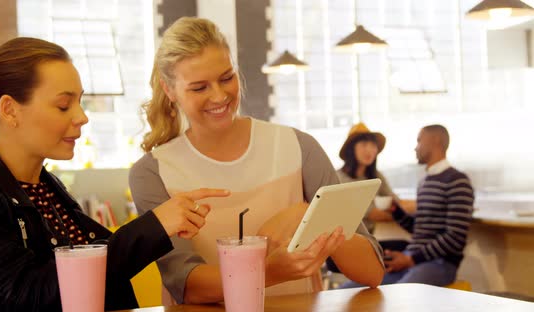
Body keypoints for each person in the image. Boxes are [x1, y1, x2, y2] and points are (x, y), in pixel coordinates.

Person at [0, 37, 229, 311]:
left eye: (80, 102)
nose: (82, 116)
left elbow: (102, 267)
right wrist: (154, 226)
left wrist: (162, 228)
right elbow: (28, 294)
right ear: (10, 110)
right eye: (63, 105)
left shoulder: (46, 187)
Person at [129, 17, 384, 305]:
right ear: (169, 89)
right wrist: (268, 271)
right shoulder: (153, 173)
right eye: (199, 88)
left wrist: (308, 216)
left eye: (227, 77)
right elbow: (186, 285)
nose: (219, 95)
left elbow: (372, 272)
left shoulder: (299, 148)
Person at [341, 124, 474, 288]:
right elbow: (420, 230)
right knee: (348, 290)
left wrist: (411, 259)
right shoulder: (424, 183)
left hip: (439, 263)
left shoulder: (458, 181)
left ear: (436, 141)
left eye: (419, 141)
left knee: (398, 297)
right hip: (413, 256)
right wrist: (397, 212)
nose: (415, 148)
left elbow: (455, 238)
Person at [335, 122, 399, 233]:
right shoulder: (340, 179)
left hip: (373, 235)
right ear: (351, 149)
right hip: (351, 238)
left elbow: (395, 201)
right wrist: (405, 216)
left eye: (373, 145)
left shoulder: (376, 176)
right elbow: (374, 214)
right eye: (364, 144)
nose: (369, 150)